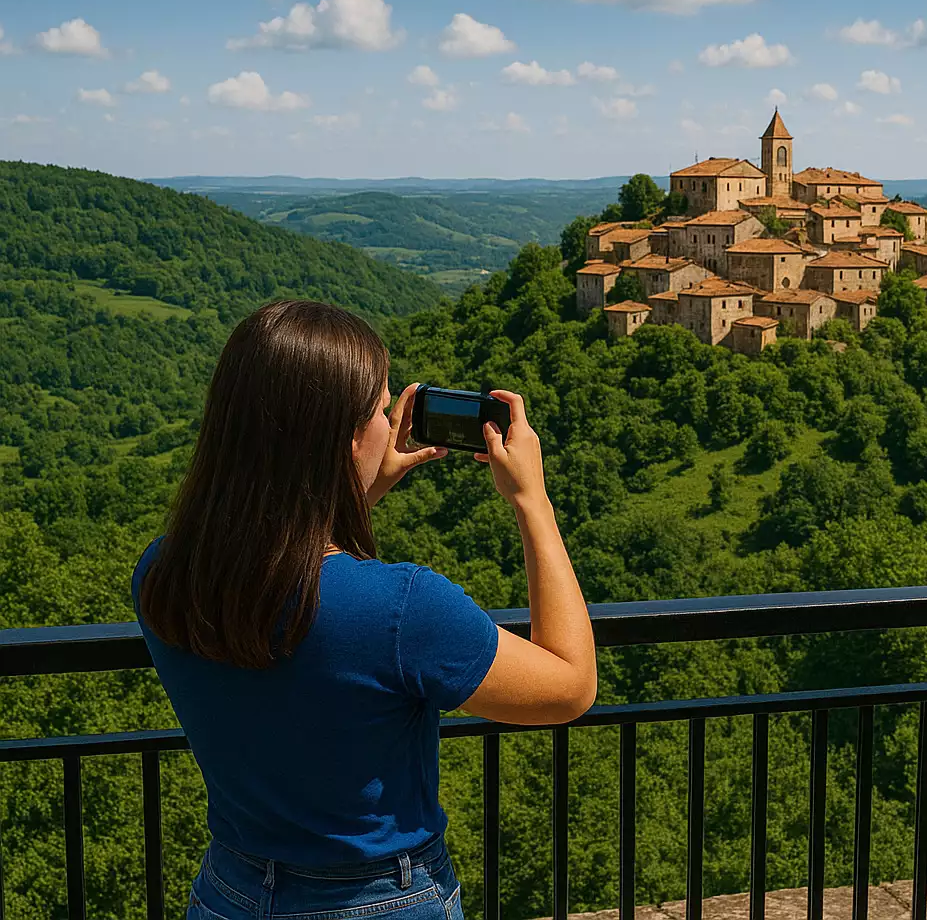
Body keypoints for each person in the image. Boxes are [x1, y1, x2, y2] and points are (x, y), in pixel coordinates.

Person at [133, 300, 597, 919]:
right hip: (376, 899)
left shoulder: (165, 571)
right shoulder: (402, 608)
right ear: (346, 438)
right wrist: (532, 500)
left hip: (230, 890)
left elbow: (290, 581)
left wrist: (361, 490)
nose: (390, 423)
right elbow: (569, 687)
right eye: (380, 410)